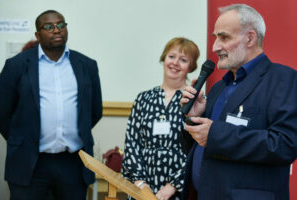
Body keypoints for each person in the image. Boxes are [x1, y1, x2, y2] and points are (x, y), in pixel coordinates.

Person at [180, 4, 297, 200]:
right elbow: (200, 147)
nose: (215, 47)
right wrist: (196, 118)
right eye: (215, 38)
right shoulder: (218, 88)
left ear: (250, 38)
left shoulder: (283, 80)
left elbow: (285, 145)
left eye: (224, 37)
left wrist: (215, 134)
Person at [0, 10, 102, 200]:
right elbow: (1, 113)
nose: (56, 30)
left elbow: (94, 111)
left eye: (61, 25)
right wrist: (21, 139)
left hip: (73, 163)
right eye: (49, 26)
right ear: (37, 35)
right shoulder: (16, 65)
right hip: (29, 162)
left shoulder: (87, 65)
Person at [122, 37, 200, 200]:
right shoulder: (143, 98)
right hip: (142, 187)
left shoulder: (195, 101)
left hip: (179, 188)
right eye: (171, 56)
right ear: (164, 58)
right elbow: (132, 143)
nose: (175, 63)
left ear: (191, 67)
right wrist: (141, 185)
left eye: (183, 60)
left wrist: (173, 186)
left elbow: (197, 150)